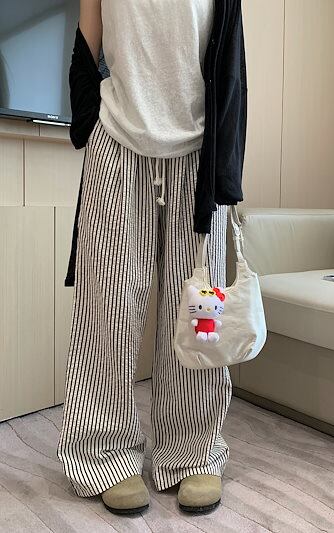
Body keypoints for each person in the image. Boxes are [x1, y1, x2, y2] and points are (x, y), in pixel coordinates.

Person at [57, 0, 248, 516]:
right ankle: (102, 452)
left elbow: (230, 58)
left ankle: (193, 449)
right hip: (118, 140)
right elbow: (87, 40)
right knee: (108, 309)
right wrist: (87, 119)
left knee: (201, 315)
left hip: (200, 152)